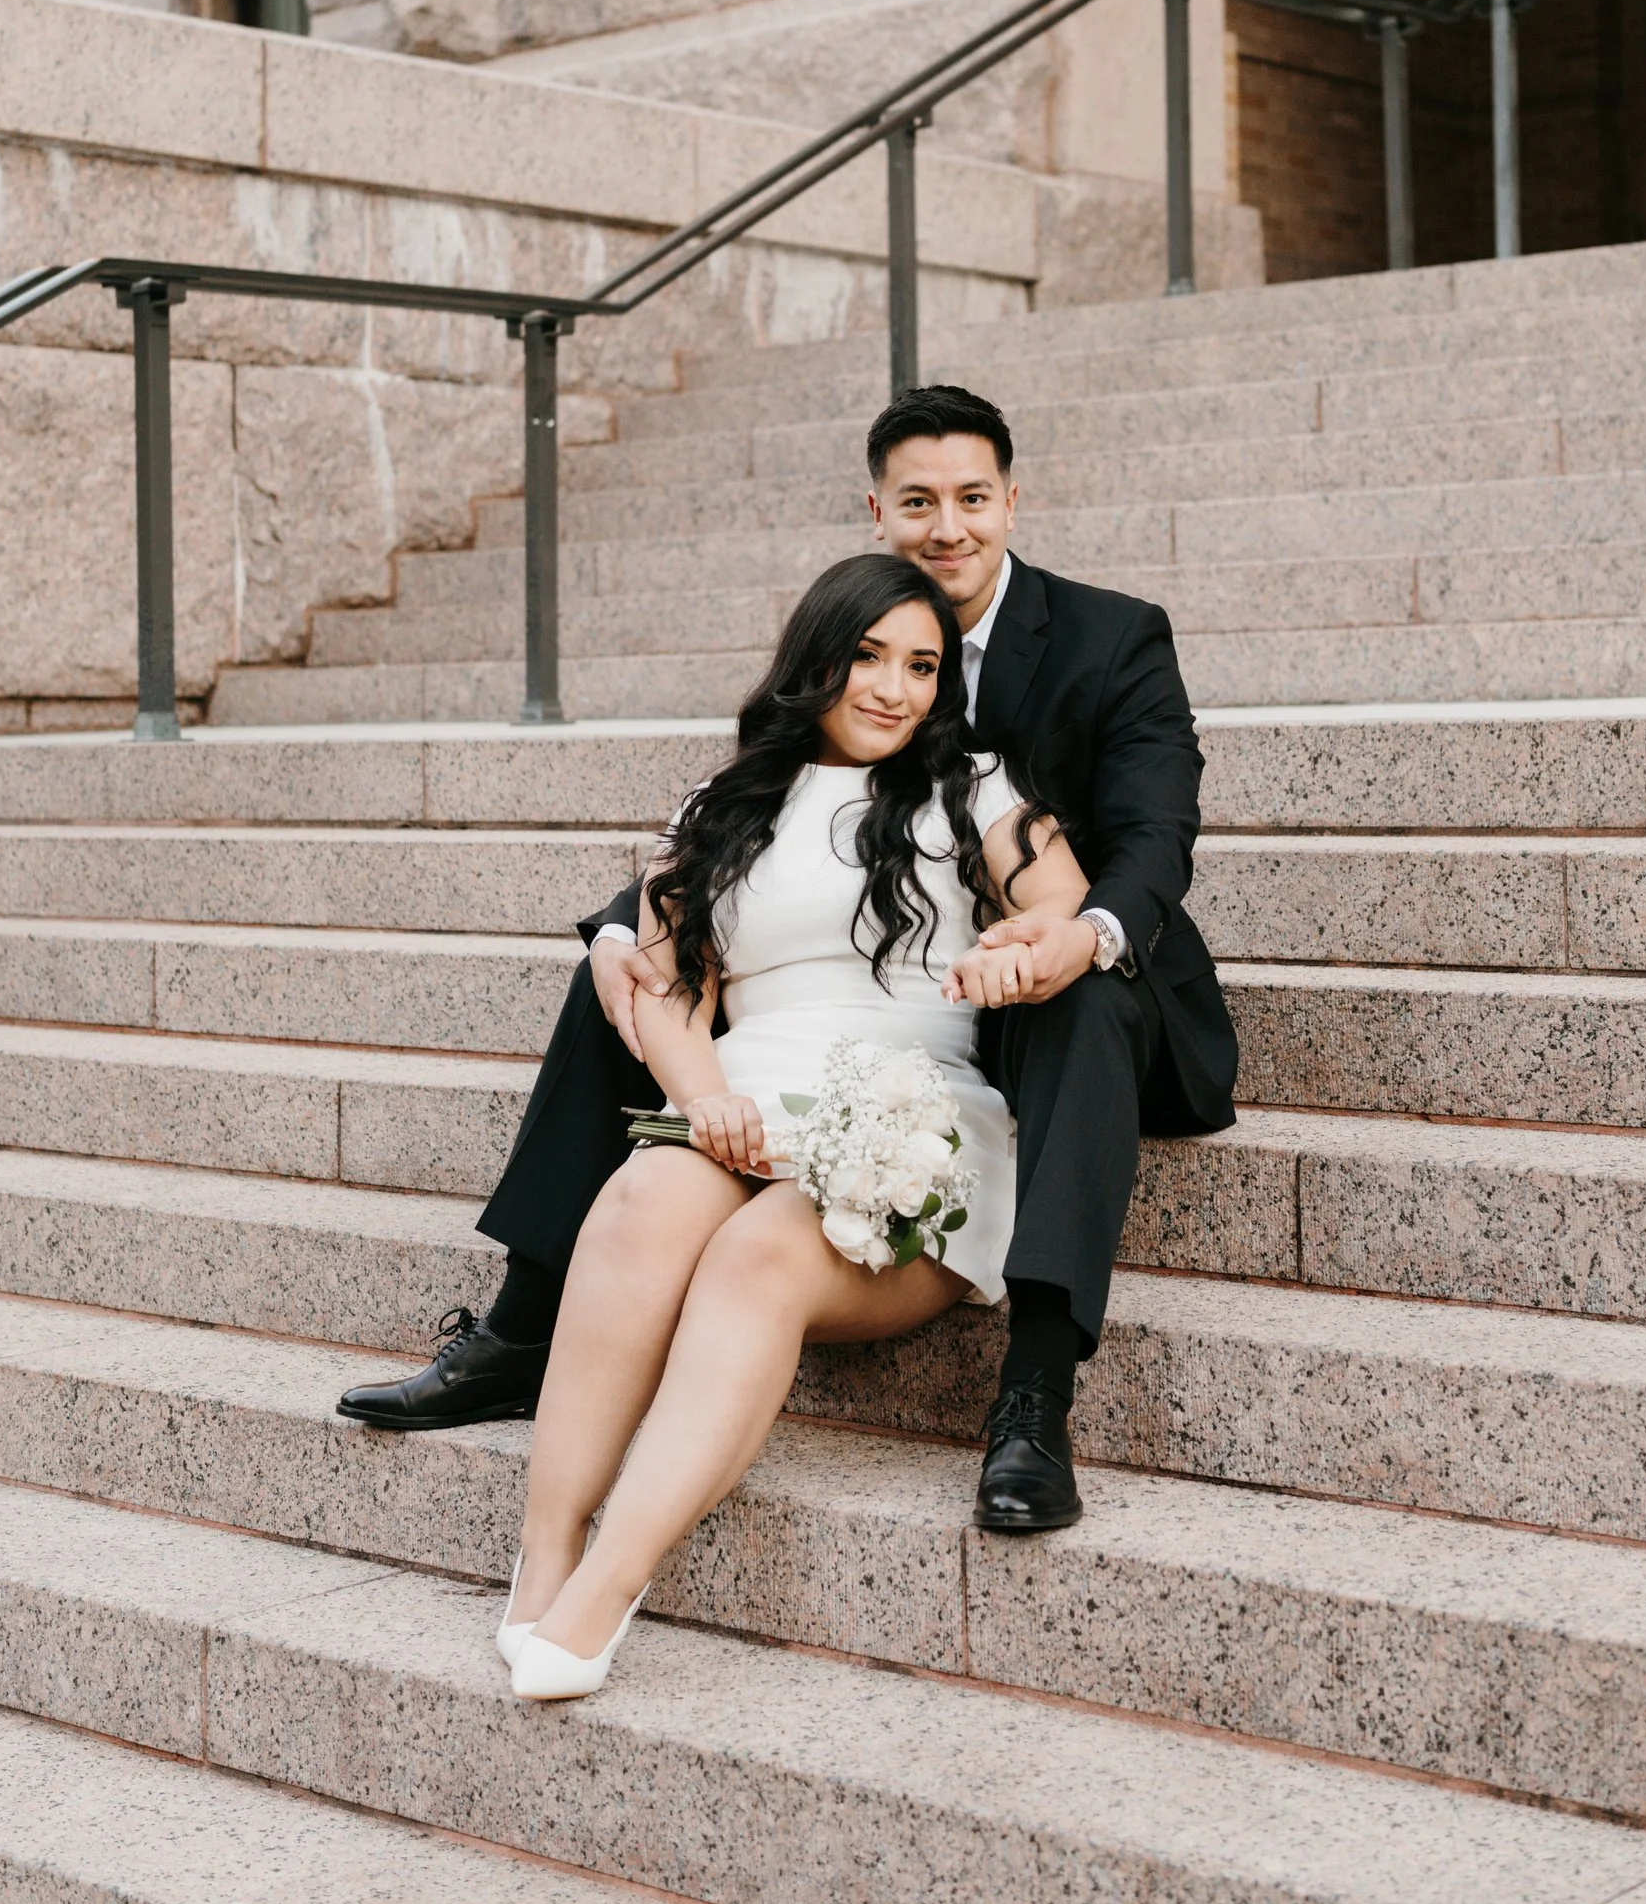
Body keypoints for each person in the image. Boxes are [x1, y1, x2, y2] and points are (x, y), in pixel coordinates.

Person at [337, 379, 1240, 1530]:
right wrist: (628, 924)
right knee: (621, 969)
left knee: (1081, 1001)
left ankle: (1034, 1395)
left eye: (972, 497)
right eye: (918, 501)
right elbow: (773, 821)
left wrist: (1078, 933)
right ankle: (526, 1325)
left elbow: (1157, 834)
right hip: (887, 975)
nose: (946, 526)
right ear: (877, 512)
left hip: (1054, 974)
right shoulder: (864, 635)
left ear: (1013, 499)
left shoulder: (1115, 635)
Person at [499, 553, 1090, 1701]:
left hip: (910, 1116)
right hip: (743, 1100)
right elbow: (663, 982)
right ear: (814, 657)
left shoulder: (969, 789)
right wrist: (700, 1095)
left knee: (759, 1257)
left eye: (922, 665)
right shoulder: (721, 808)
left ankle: (612, 1579)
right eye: (869, 656)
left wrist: (1015, 947)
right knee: (635, 1204)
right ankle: (546, 1544)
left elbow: (1060, 900)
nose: (894, 688)